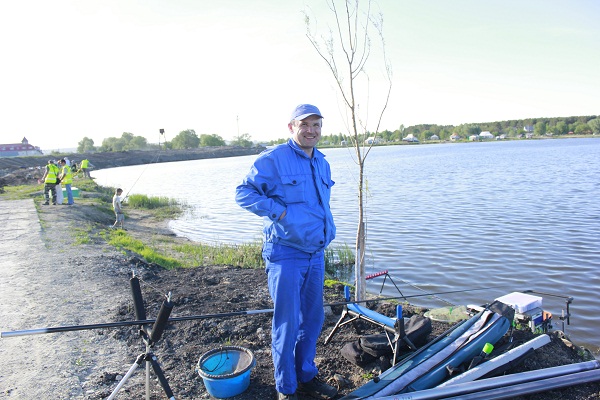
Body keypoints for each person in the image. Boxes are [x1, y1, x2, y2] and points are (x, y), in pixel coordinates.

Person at [235, 104, 337, 400]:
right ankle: (286, 388)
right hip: (286, 253)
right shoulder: (274, 159)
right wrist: (278, 212)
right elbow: (244, 192)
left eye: (316, 125)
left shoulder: (322, 162)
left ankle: (306, 376)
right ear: (292, 127)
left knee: (312, 320)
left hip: (315, 254)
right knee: (287, 323)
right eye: (304, 125)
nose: (311, 130)